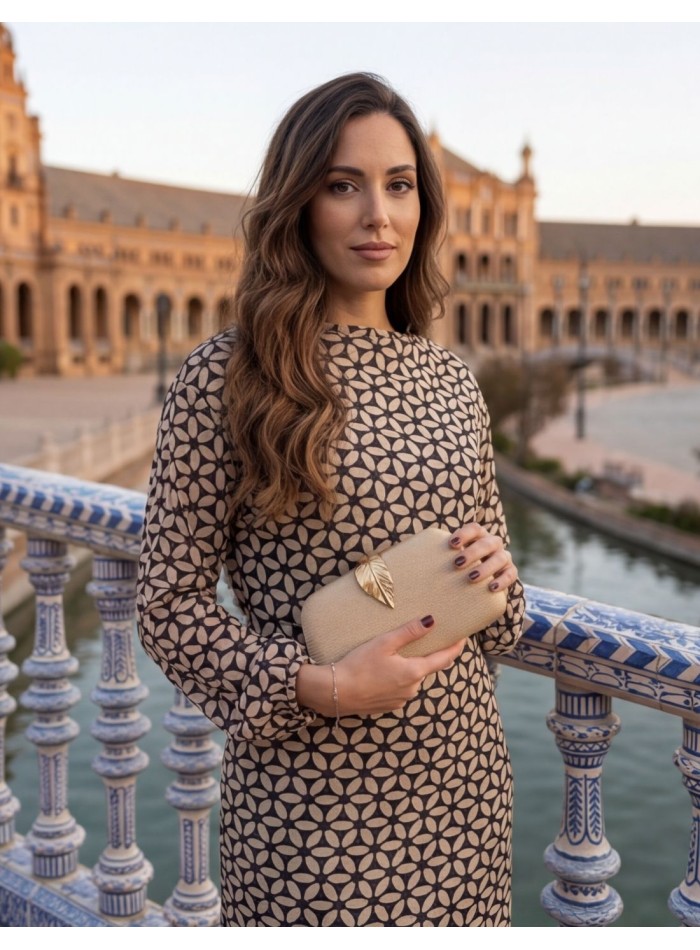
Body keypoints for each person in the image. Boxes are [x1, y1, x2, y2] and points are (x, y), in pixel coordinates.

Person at [136, 72, 525, 927]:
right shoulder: (228, 377)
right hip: (312, 811)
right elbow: (166, 606)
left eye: (399, 185)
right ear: (299, 204)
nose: (378, 215)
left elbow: (501, 618)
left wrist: (498, 573)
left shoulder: (452, 380)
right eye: (344, 186)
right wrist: (322, 687)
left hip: (464, 791)